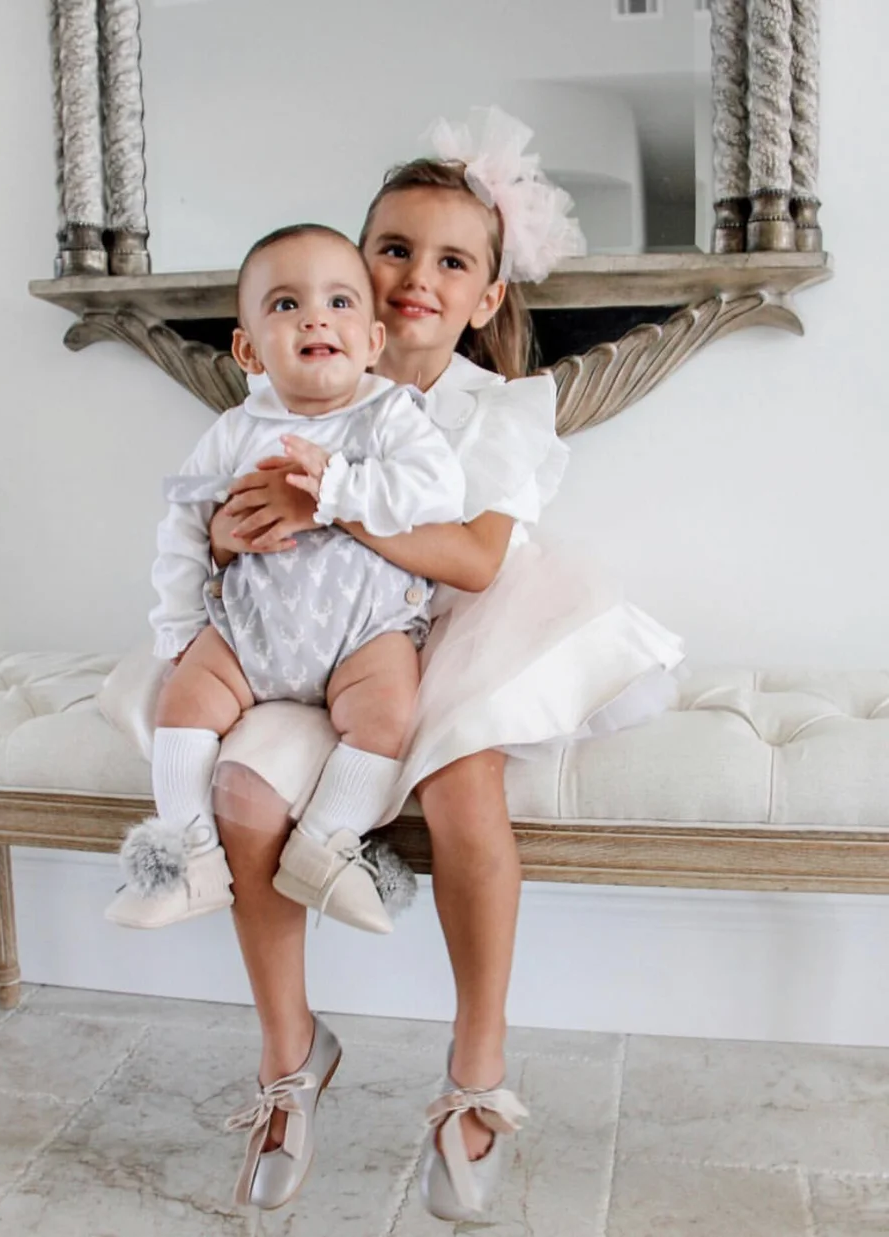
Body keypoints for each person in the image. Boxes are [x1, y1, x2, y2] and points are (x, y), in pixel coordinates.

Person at [98, 107, 683, 1219]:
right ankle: (290, 1058)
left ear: (486, 298)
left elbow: (474, 558)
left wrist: (332, 504)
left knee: (462, 781)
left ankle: (476, 1074)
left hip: (452, 625)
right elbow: (214, 516)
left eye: (452, 262)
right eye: (395, 250)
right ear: (355, 266)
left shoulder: (498, 411)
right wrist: (227, 532)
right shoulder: (284, 386)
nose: (418, 277)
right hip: (293, 630)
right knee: (242, 791)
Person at [105, 223, 466, 938]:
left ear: (373, 341)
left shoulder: (390, 416)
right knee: (183, 701)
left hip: (364, 634)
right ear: (248, 351)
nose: (314, 319)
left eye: (339, 302)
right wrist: (180, 628)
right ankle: (189, 858)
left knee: (388, 715)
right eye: (286, 304)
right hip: (248, 631)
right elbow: (183, 523)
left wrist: (338, 487)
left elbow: (439, 493)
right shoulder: (235, 430)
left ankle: (325, 846)